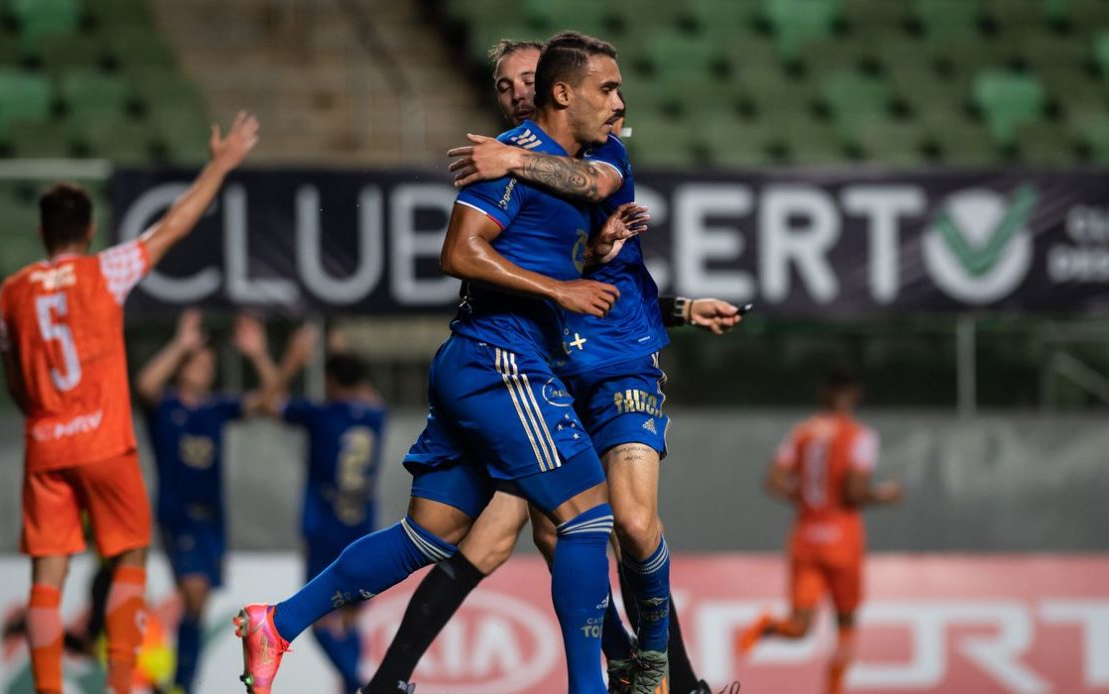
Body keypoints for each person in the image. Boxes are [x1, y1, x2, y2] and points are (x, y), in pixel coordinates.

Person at [235, 31, 633, 694]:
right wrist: (560, 289)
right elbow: (458, 252)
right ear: (564, 94)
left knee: (428, 536)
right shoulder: (515, 159)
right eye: (608, 89)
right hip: (500, 361)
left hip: (483, 364)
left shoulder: (559, 161)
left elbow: (589, 189)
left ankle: (277, 623)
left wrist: (587, 259)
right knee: (587, 517)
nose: (619, 101)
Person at [364, 37, 740, 694]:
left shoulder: (594, 151)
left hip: (604, 367)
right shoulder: (515, 167)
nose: (517, 91)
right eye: (506, 84)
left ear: (557, 88)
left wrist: (675, 308)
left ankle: (670, 680)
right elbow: (557, 271)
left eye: (529, 78)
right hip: (541, 367)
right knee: (505, 538)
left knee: (620, 521)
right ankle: (392, 680)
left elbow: (599, 251)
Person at [0, 111, 259, 694]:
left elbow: (14, 376)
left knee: (48, 572)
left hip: (45, 444)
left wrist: (41, 417)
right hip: (105, 442)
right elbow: (175, 225)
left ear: (42, 234)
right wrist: (219, 164)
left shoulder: (11, 293)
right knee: (131, 554)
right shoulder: (103, 271)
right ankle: (120, 685)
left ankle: (47, 688)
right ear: (88, 231)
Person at [135, 309, 276, 694]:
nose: (203, 369)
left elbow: (271, 398)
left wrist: (259, 354)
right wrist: (180, 344)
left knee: (198, 605)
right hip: (178, 516)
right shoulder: (165, 407)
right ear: (181, 366)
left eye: (209, 364)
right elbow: (144, 384)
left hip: (212, 520)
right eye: (197, 362)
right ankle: (181, 683)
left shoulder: (217, 410)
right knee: (194, 593)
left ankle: (182, 682)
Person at [738, 368, 903, 694]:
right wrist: (883, 494)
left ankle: (769, 626)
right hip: (842, 539)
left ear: (824, 396)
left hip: (806, 537)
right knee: (846, 624)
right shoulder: (860, 435)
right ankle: (834, 690)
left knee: (800, 627)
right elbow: (853, 492)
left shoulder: (801, 432)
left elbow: (773, 480)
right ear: (855, 396)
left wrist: (804, 498)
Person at [263, 325, 388, 693]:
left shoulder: (321, 415)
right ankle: (353, 686)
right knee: (350, 618)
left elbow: (271, 403)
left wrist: (291, 361)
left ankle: (357, 683)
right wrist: (342, 351)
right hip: (361, 526)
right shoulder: (375, 417)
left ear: (330, 381)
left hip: (323, 527)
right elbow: (368, 393)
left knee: (318, 621)